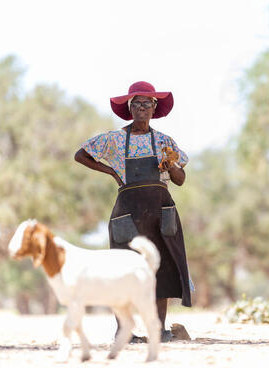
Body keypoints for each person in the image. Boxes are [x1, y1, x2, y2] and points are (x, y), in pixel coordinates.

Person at [74, 81, 191, 342]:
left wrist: (171, 165)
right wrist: (113, 172)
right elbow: (80, 155)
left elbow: (181, 179)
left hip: (161, 210)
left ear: (154, 107)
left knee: (164, 268)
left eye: (147, 103)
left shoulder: (164, 141)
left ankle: (159, 330)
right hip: (128, 211)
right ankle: (124, 332)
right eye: (136, 103)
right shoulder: (113, 139)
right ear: (129, 108)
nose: (141, 108)